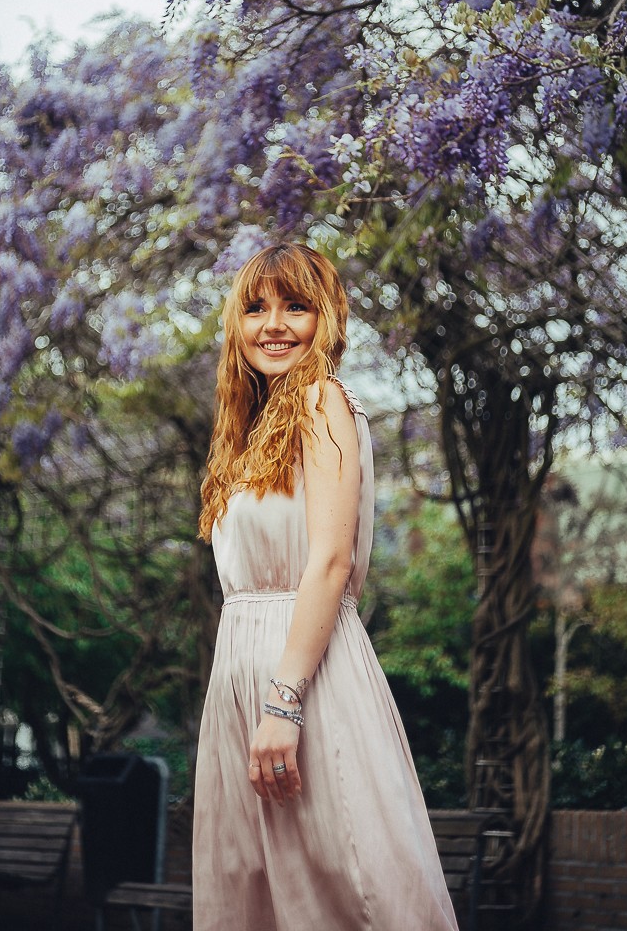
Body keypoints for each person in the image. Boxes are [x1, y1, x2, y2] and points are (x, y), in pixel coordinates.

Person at [192, 242, 459, 931]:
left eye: (296, 306)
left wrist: (284, 704)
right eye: (256, 308)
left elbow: (331, 562)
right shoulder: (246, 434)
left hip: (303, 679)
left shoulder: (322, 401)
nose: (273, 325)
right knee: (256, 899)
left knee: (348, 892)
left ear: (327, 318)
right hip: (240, 678)